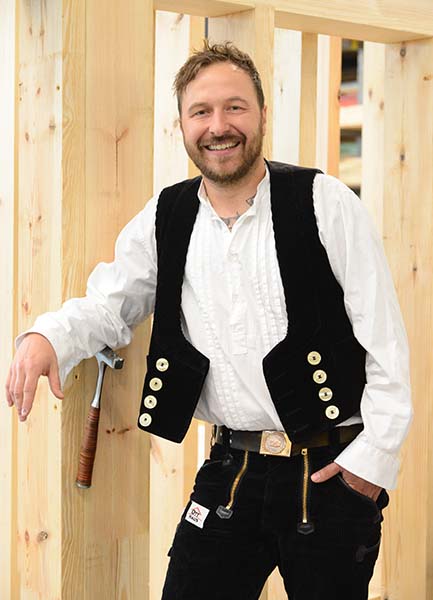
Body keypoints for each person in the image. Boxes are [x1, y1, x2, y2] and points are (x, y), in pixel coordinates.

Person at [5, 41, 411, 599]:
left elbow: (384, 341)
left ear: (262, 114)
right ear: (183, 124)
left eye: (234, 107)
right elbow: (109, 303)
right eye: (201, 112)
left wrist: (371, 463)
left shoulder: (325, 202)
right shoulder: (167, 216)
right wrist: (47, 336)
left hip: (330, 472)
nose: (219, 126)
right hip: (231, 468)